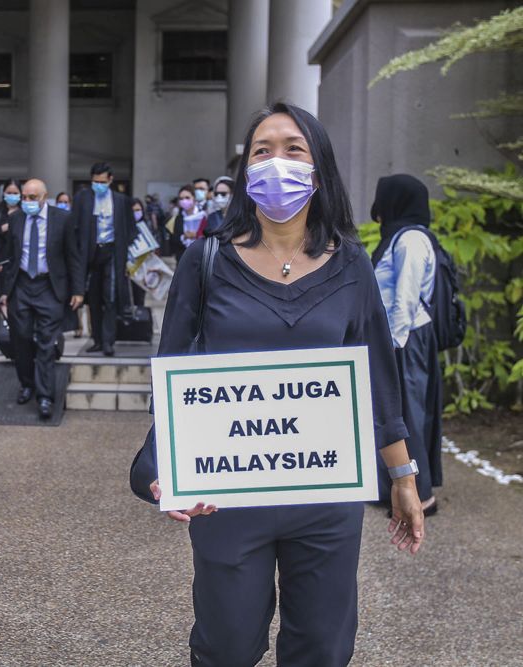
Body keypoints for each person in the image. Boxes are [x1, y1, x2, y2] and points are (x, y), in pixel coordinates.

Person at [130, 103, 424, 666]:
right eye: (261, 150)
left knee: (321, 645)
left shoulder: (353, 264)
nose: (276, 162)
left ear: (319, 169)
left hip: (327, 493)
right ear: (245, 172)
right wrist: (163, 465)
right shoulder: (206, 259)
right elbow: (173, 372)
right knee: (227, 646)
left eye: (294, 149)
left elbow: (379, 382)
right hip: (228, 494)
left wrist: (403, 477)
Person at [370, 173, 443, 516]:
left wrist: (394, 344)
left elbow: (406, 298)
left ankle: (422, 494)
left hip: (406, 337)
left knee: (408, 417)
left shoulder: (411, 240)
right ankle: (391, 488)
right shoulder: (399, 237)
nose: (378, 213)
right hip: (398, 336)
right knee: (391, 414)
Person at [0, 179, 84, 419]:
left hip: (50, 286)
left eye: (32, 198)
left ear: (44, 197)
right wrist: (4, 292)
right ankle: (27, 383)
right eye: (24, 197)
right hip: (22, 285)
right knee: (21, 337)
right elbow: (11, 258)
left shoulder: (62, 219)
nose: (27, 202)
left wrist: (78, 290)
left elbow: (73, 256)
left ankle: (45, 396)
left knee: (47, 342)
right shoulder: (15, 219)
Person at [73, 162, 135, 356]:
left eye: (102, 181)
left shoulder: (121, 200)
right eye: (95, 181)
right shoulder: (83, 198)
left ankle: (108, 341)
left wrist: (129, 256)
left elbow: (131, 228)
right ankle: (97, 339)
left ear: (110, 180)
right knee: (93, 298)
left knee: (110, 298)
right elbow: (74, 226)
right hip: (90, 254)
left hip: (112, 253)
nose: (98, 185)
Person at [0, 178, 23, 298]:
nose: (12, 196)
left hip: (19, 260)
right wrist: (3, 228)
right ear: (4, 193)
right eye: (9, 193)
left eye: (15, 193)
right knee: (1, 294)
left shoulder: (23, 212)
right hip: (1, 259)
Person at [165, 180, 209, 261]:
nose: (184, 201)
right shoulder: (178, 218)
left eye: (187, 198)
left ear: (194, 198)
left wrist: (196, 235)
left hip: (201, 258)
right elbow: (173, 240)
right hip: (183, 258)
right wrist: (184, 237)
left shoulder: (203, 216)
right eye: (181, 198)